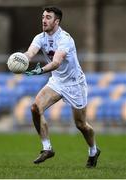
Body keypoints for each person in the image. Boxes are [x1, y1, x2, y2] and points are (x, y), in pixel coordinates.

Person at [24, 6, 101, 168]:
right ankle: (47, 148)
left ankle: (93, 150)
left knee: (81, 125)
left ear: (57, 21)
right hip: (57, 82)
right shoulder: (40, 37)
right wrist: (20, 60)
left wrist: (40, 70)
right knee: (35, 108)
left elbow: (57, 62)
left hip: (74, 84)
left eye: (48, 17)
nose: (44, 20)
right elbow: (30, 53)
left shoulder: (65, 39)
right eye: (43, 17)